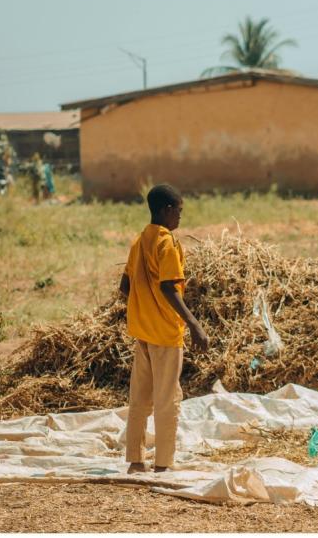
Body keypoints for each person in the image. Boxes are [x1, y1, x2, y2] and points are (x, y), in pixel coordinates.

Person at [119, 184, 209, 474]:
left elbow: (125, 287)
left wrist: (144, 304)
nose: (180, 218)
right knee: (167, 401)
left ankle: (135, 461)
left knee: (139, 400)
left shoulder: (139, 241)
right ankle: (163, 464)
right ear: (167, 210)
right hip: (166, 334)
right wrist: (194, 324)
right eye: (179, 212)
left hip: (142, 331)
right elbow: (169, 286)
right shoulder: (167, 243)